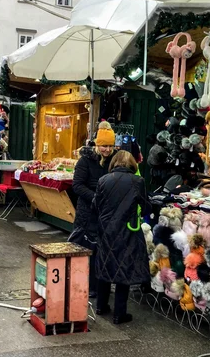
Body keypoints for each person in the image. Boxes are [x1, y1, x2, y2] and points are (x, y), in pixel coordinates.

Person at [93, 150, 150, 325]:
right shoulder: (137, 181)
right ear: (132, 164)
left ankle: (101, 306)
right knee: (123, 269)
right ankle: (119, 313)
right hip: (127, 230)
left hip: (106, 230)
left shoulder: (103, 180)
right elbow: (145, 206)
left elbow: (95, 205)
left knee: (105, 266)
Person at [68, 121, 117, 297]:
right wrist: (96, 197)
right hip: (87, 213)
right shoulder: (85, 161)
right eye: (104, 145)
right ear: (97, 144)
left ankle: (96, 287)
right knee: (83, 249)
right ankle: (79, 283)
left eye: (110, 146)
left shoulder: (114, 159)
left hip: (105, 214)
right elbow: (77, 185)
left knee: (100, 251)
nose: (107, 149)